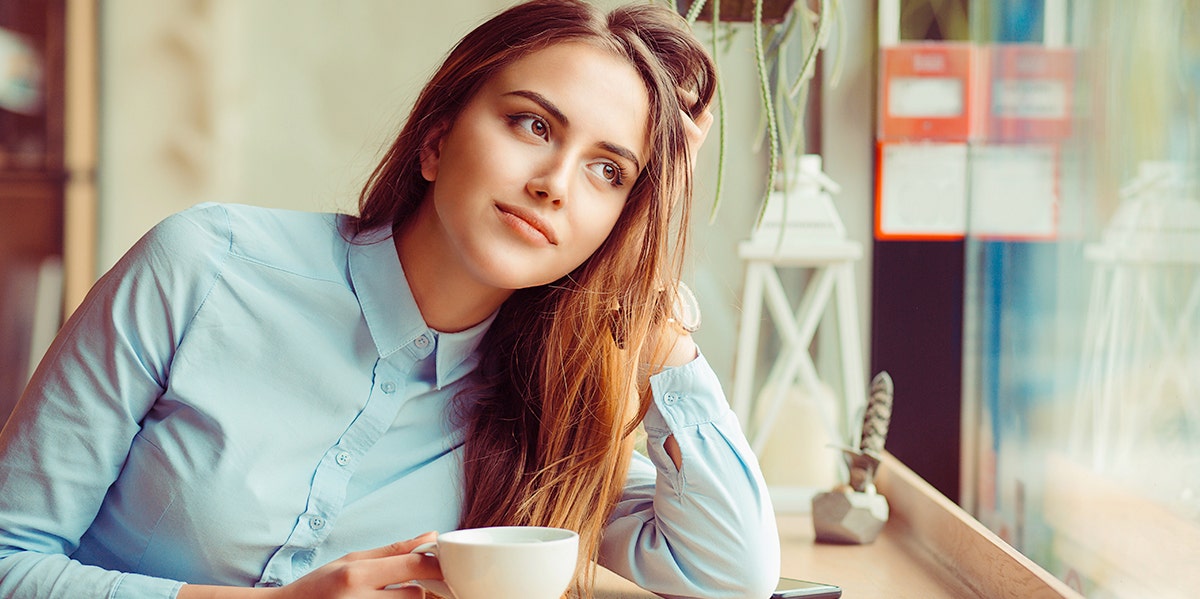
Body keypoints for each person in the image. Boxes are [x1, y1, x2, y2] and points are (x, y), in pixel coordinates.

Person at [0, 1, 779, 597]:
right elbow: (10, 558)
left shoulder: (550, 407)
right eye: (532, 124)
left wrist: (646, 299)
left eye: (608, 170)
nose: (554, 184)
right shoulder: (203, 268)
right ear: (436, 140)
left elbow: (728, 571)